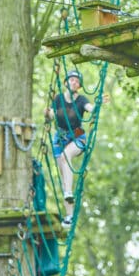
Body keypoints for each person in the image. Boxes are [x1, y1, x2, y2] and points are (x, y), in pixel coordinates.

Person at [45, 69, 106, 228]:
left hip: (78, 137)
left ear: (79, 86)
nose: (74, 82)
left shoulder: (81, 100)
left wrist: (98, 104)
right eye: (71, 80)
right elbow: (51, 115)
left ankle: (68, 194)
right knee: (65, 179)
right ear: (66, 82)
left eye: (77, 81)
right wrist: (47, 114)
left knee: (66, 157)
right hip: (60, 138)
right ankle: (69, 216)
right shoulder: (58, 99)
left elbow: (91, 108)